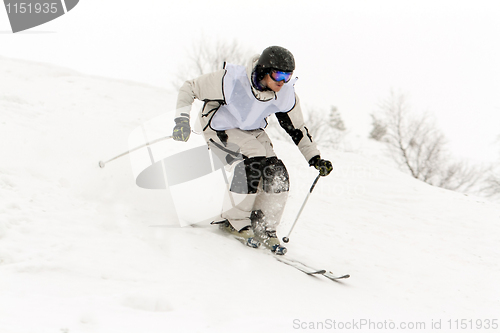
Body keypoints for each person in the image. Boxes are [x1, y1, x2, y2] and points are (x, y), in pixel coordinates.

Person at [172, 46, 332, 255]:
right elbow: (189, 88)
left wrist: (315, 157)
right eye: (278, 74)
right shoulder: (231, 80)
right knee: (253, 158)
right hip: (219, 126)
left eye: (288, 76)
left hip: (251, 130)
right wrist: (181, 120)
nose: (282, 81)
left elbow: (298, 130)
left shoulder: (283, 93)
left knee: (277, 172)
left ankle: (264, 224)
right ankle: (234, 220)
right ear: (264, 70)